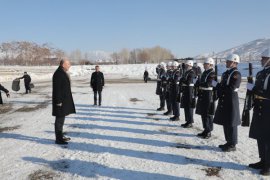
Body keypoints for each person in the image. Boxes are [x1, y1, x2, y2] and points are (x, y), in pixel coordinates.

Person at [248, 48, 270, 176]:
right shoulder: (261, 73)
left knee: (268, 138)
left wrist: (255, 89)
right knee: (260, 136)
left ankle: (269, 165)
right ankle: (263, 160)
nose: (261, 60)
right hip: (260, 107)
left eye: (264, 58)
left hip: (268, 108)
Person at [212, 54, 241, 152]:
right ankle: (228, 141)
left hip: (231, 100)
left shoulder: (236, 74)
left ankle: (233, 144)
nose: (227, 63)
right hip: (224, 99)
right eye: (227, 61)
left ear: (234, 62)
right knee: (225, 121)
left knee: (232, 123)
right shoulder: (225, 74)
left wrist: (218, 86)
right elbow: (222, 86)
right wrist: (217, 87)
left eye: (228, 61)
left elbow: (231, 88)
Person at [52, 59, 76, 145]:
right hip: (60, 102)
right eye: (68, 64)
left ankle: (60, 136)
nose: (69, 65)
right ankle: (58, 139)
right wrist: (58, 101)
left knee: (61, 120)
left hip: (63, 101)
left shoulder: (61, 72)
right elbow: (57, 89)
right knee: (59, 120)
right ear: (63, 64)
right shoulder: (58, 73)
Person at [195, 58, 216, 139]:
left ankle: (209, 130)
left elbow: (208, 84)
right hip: (203, 93)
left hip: (208, 94)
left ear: (210, 64)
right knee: (203, 113)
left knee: (208, 113)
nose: (204, 65)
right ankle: (205, 129)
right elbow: (201, 82)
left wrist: (199, 84)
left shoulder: (212, 73)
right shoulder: (205, 72)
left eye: (205, 64)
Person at [180, 60, 196, 128]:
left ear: (190, 65)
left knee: (189, 106)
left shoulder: (192, 72)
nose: (186, 66)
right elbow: (182, 80)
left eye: (187, 65)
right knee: (186, 106)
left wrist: (183, 80)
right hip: (186, 90)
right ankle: (187, 121)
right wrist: (183, 81)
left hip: (190, 90)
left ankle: (190, 122)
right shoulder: (186, 72)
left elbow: (188, 82)